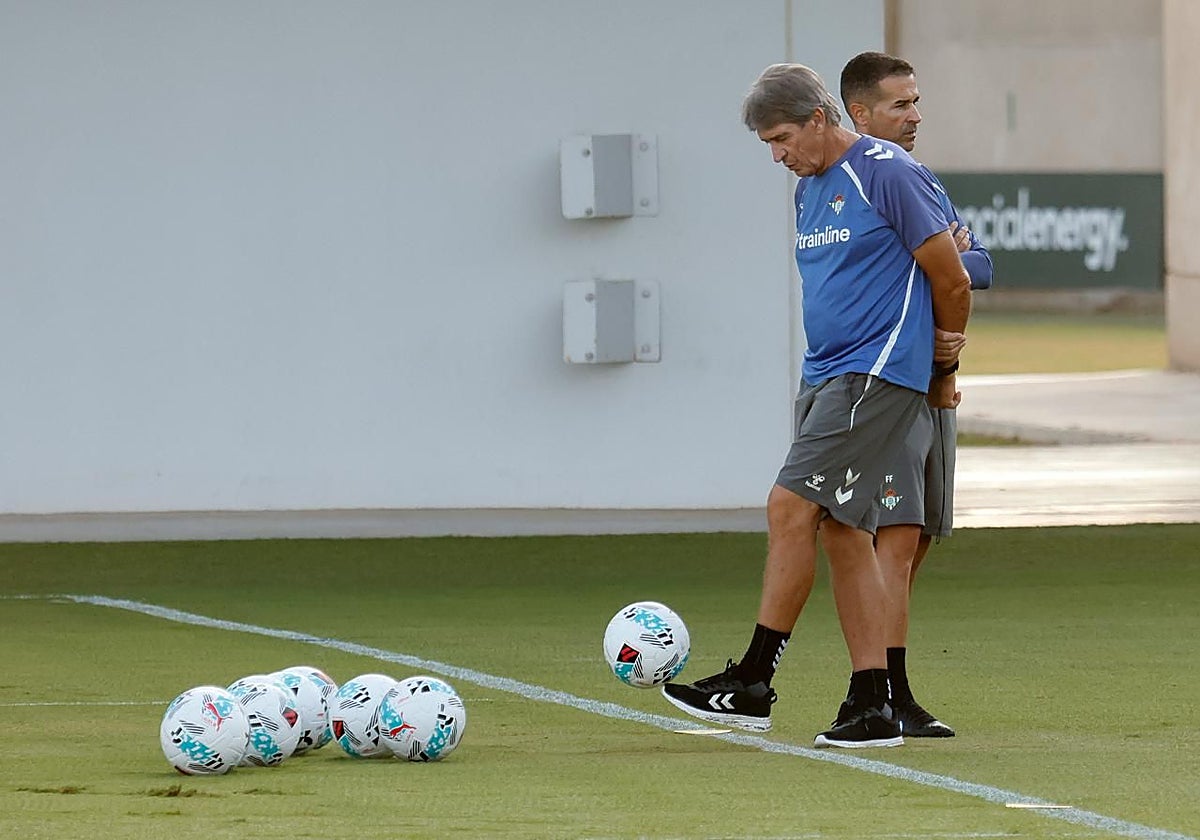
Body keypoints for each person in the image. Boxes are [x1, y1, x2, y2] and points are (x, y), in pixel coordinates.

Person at [661, 63, 971, 748]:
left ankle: (752, 680)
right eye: (769, 145)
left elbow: (953, 278)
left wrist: (942, 366)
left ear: (820, 119)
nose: (778, 155)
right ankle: (873, 703)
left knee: (788, 506)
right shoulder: (808, 192)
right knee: (838, 531)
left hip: (876, 374)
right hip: (827, 376)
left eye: (781, 138)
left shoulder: (886, 170)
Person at [839, 51, 993, 738]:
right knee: (894, 540)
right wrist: (941, 255)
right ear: (859, 113)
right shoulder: (860, 183)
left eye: (916, 101)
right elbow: (933, 263)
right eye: (901, 104)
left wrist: (950, 256)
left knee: (920, 538)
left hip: (938, 386)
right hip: (894, 384)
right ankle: (883, 691)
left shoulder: (919, 179)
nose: (915, 115)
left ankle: (890, 687)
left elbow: (977, 263)